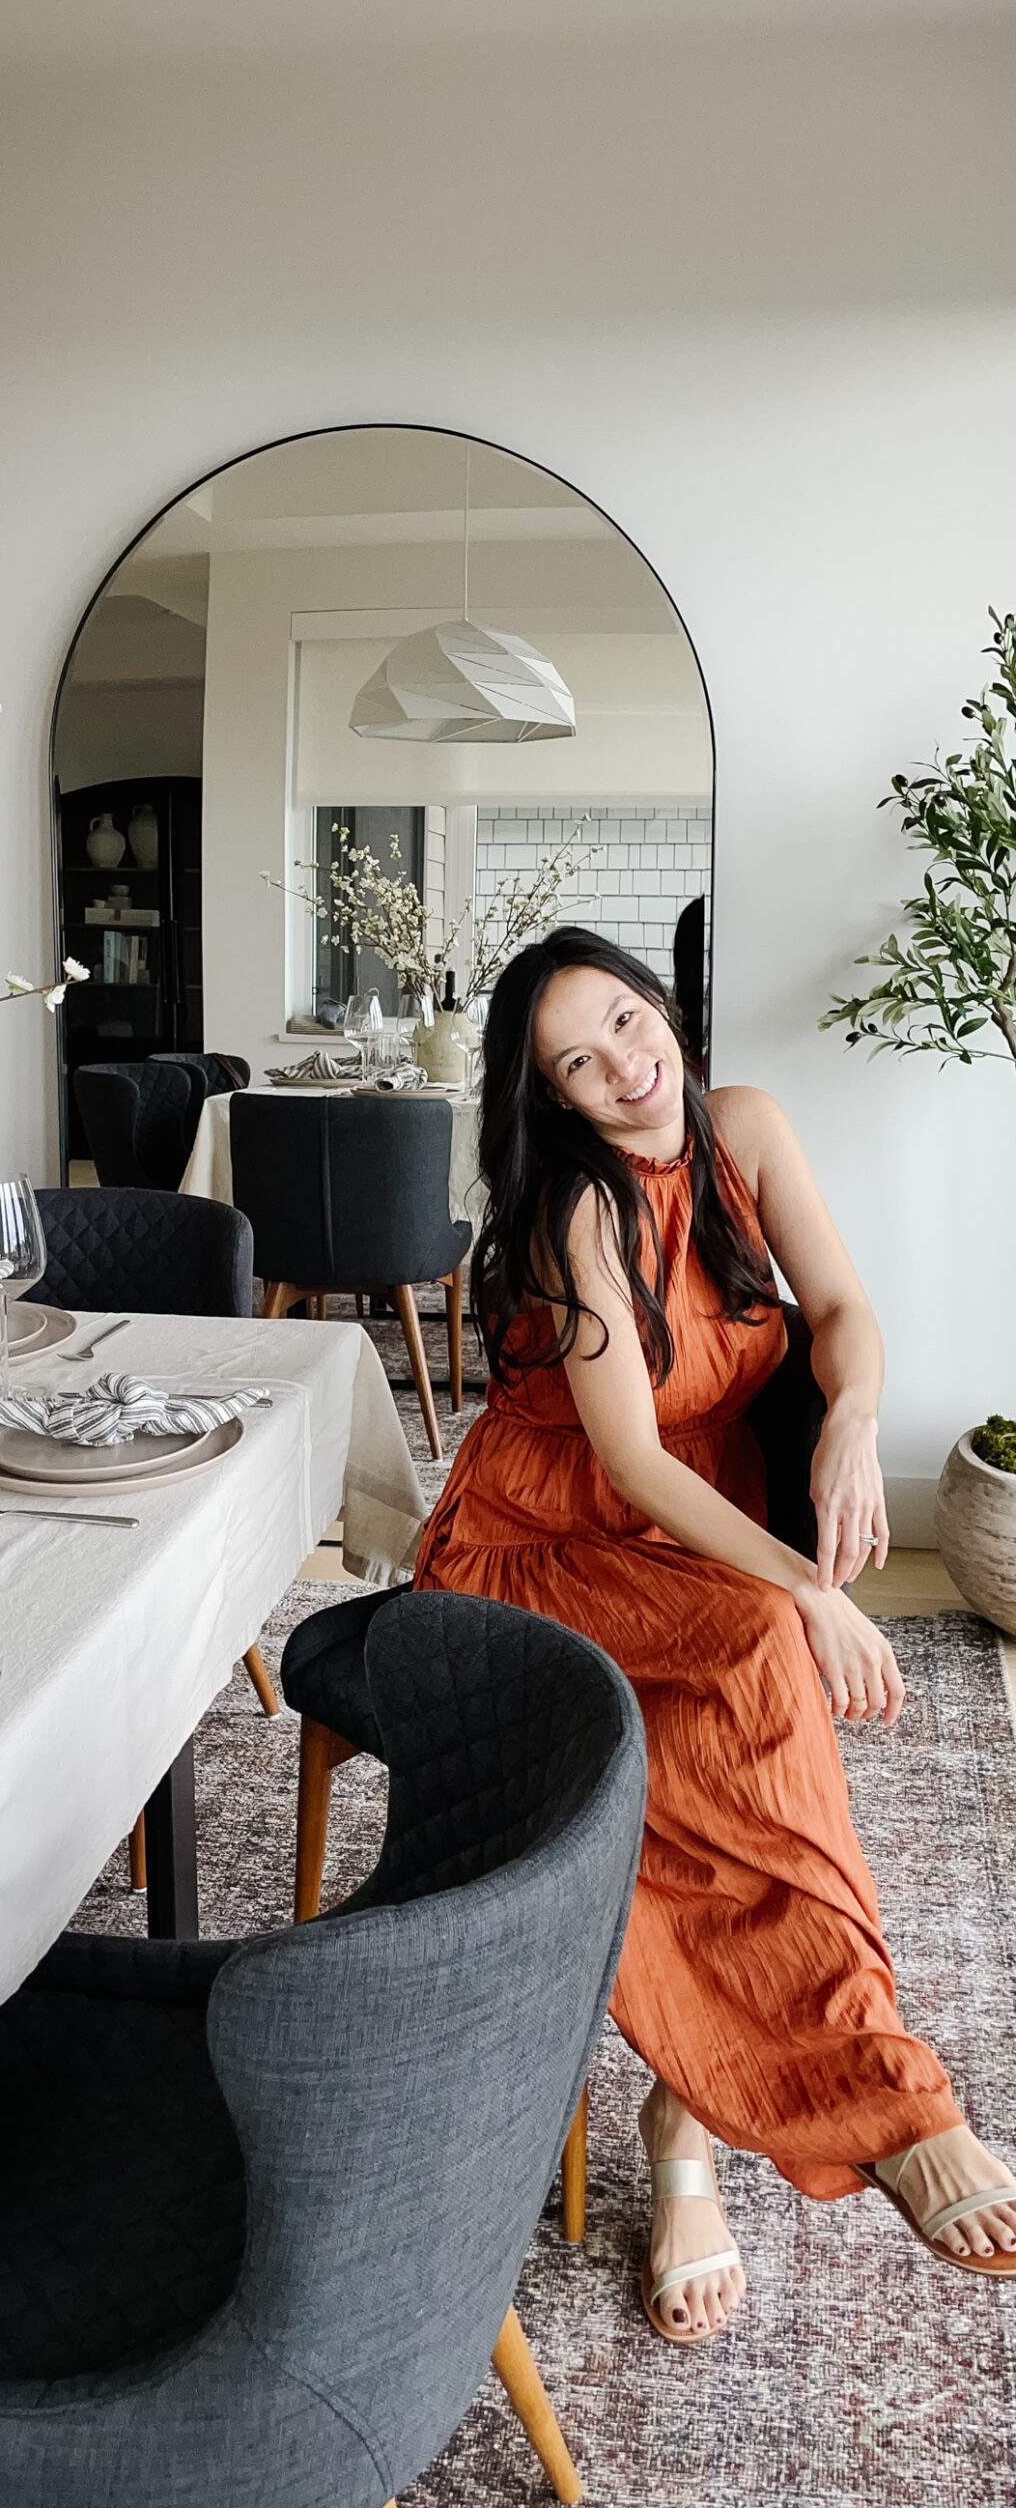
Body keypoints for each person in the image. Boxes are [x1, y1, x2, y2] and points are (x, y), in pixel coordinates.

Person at [414, 926, 1016, 2341]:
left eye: (628, 1020)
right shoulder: (580, 1209)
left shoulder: (745, 1127)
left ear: (662, 1004)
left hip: (704, 1509)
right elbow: (628, 1463)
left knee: (732, 1765)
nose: (627, 1068)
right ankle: (875, 2089)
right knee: (760, 1658)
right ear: (550, 1096)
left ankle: (688, 2127)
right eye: (579, 1059)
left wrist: (855, 1423)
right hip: (542, 1537)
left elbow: (847, 1313)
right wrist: (808, 1590)